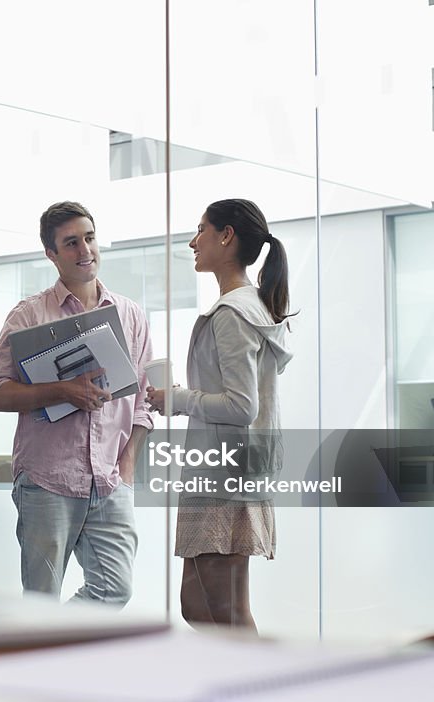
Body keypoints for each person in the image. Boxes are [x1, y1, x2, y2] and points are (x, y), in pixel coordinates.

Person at [0, 201, 153, 606]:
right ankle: (42, 660)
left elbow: (142, 401)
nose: (84, 251)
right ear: (51, 255)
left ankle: (58, 650)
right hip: (47, 480)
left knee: (115, 589)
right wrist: (61, 390)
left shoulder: (130, 315)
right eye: (71, 243)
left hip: (110, 480)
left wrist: (127, 467)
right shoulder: (29, 315)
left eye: (89, 238)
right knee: (41, 600)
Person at [146, 198, 293, 632]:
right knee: (196, 605)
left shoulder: (233, 313)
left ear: (226, 236)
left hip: (224, 476)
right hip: (220, 471)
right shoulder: (250, 307)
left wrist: (180, 399)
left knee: (226, 613)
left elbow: (241, 406)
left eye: (202, 230)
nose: (193, 242)